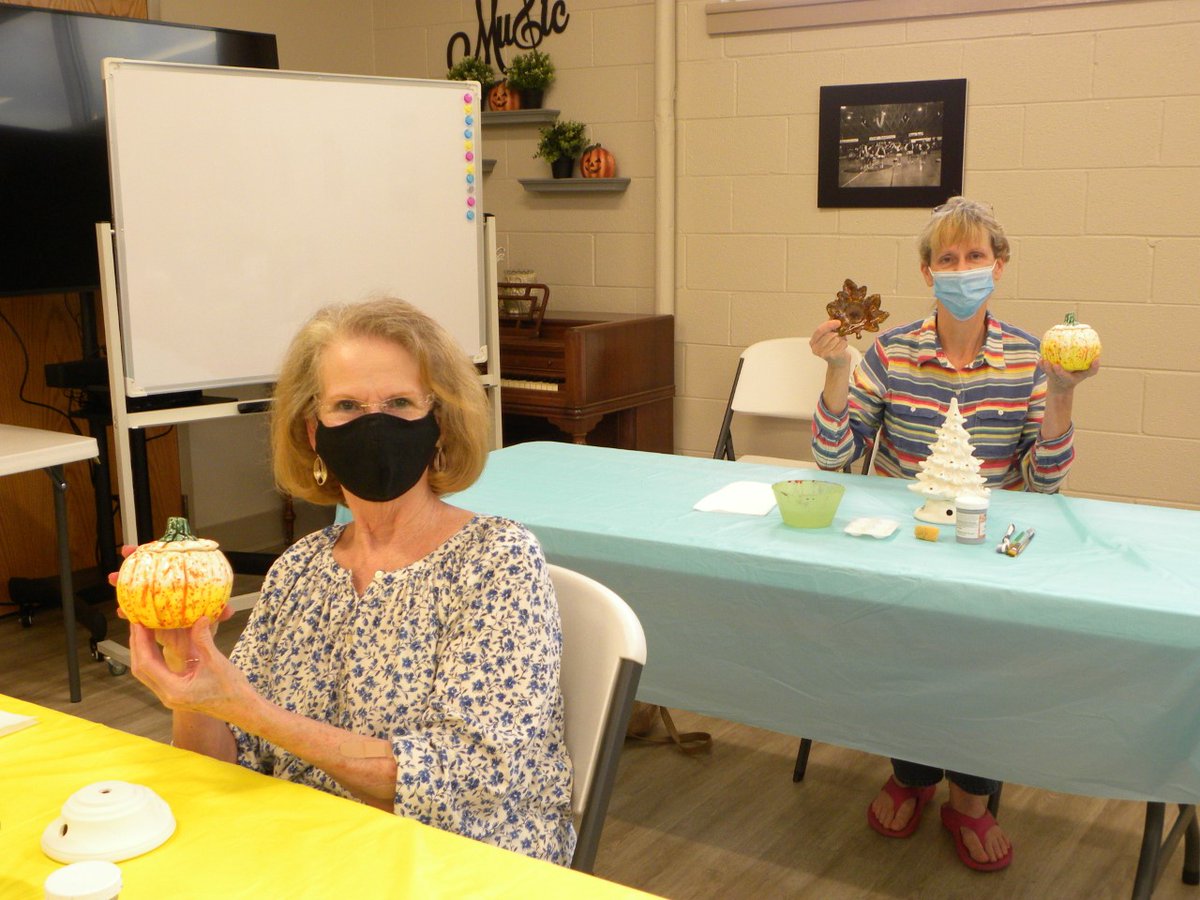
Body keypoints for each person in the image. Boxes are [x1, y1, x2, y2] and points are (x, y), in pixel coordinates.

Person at [122, 298, 576, 865]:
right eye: (347, 405)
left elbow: (462, 780)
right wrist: (189, 669)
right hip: (309, 850)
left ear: (440, 422)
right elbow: (227, 763)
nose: (374, 423)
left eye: (400, 402)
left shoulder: (496, 561)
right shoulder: (298, 570)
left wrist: (247, 708)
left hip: (461, 864)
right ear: (314, 432)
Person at [809, 197, 1099, 872]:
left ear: (998, 268)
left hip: (990, 543)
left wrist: (1061, 394)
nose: (962, 269)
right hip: (905, 539)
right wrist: (834, 371)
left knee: (983, 662)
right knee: (906, 656)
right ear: (925, 271)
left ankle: (972, 797)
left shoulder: (1030, 356)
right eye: (948, 258)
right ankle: (911, 774)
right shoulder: (892, 351)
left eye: (975, 257)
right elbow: (834, 457)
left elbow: (1045, 479)